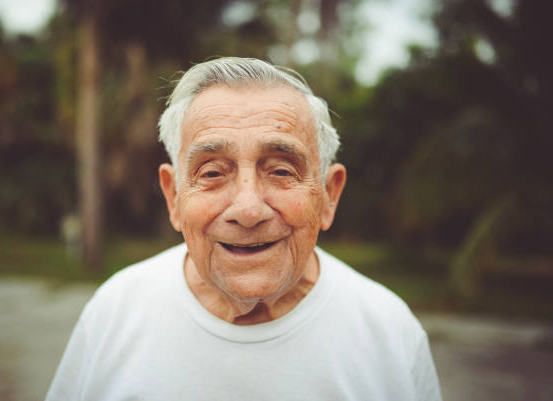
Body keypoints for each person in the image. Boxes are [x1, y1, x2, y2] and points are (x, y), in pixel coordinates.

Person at [45, 57, 442, 401]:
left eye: (282, 170)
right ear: (173, 197)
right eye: (213, 172)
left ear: (328, 196)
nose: (248, 209)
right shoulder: (115, 311)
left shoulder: (390, 331)